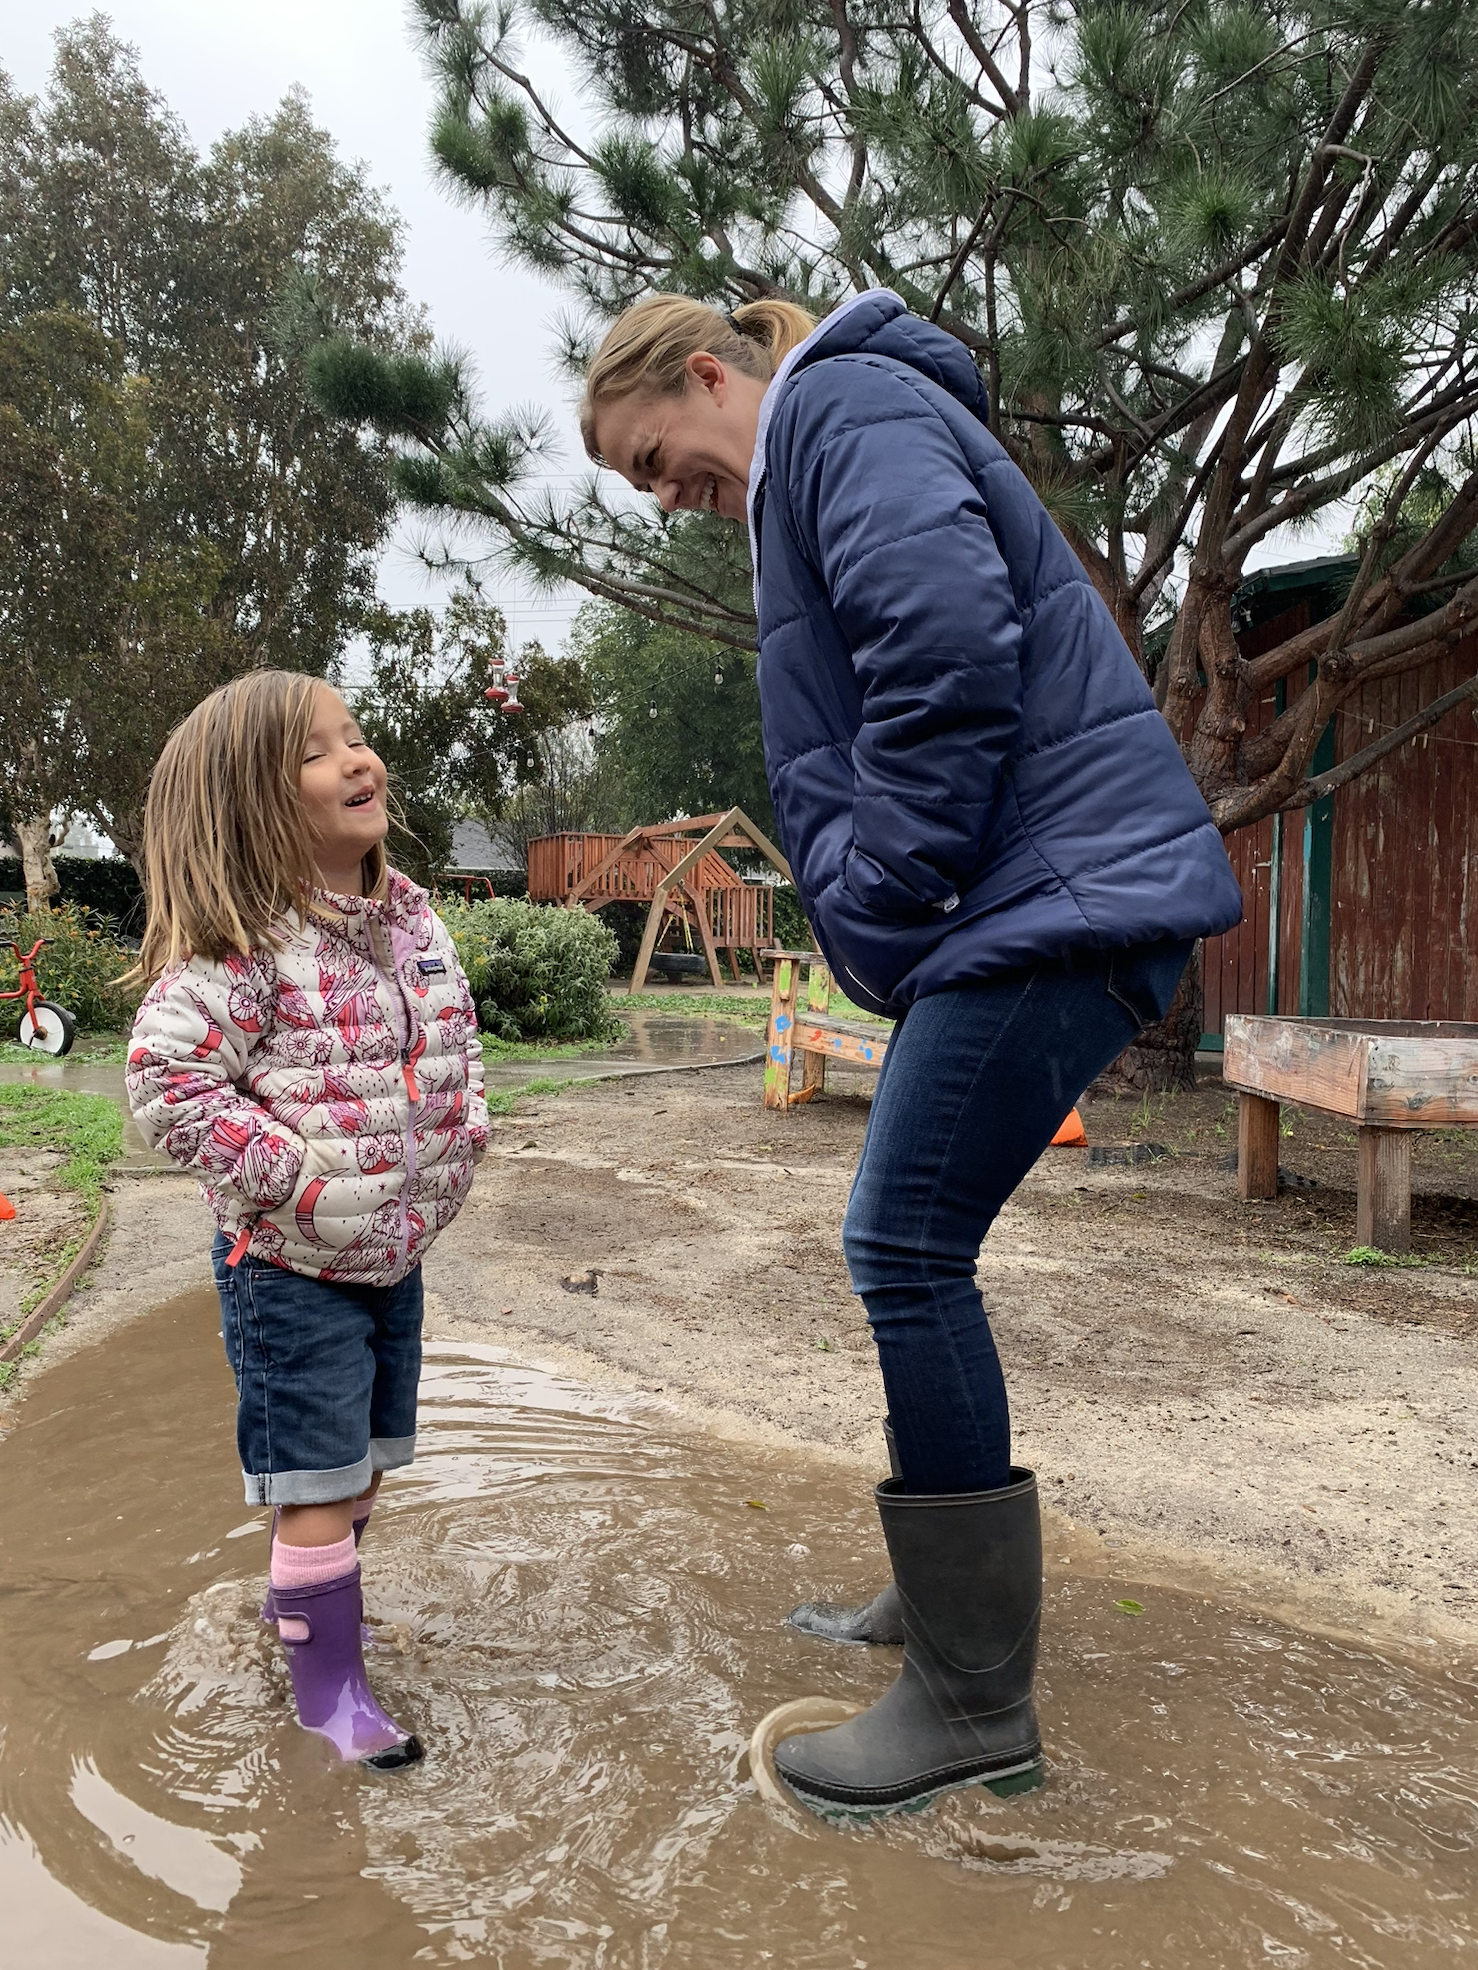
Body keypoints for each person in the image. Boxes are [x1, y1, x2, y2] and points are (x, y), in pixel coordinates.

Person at [582, 288, 1242, 1819]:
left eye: (658, 458)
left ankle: (966, 1703)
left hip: (1052, 905)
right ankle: (935, 1607)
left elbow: (944, 655)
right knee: (909, 1249)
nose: (668, 495)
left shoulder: (835, 410)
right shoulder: (827, 433)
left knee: (901, 1243)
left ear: (706, 373)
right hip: (1042, 897)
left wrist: (877, 891)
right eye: (644, 486)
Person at [126, 671, 490, 1770]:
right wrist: (293, 1177)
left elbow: (454, 1030)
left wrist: (469, 1119)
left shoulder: (410, 914)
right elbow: (164, 1085)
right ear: (249, 801)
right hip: (289, 1265)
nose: (359, 759)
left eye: (358, 737)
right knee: (316, 1486)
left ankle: (310, 1607)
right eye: (319, 752)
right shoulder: (239, 949)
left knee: (363, 1464)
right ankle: (328, 1690)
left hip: (392, 1254)